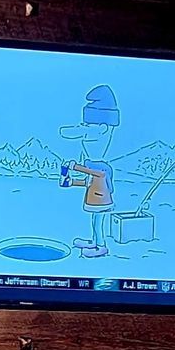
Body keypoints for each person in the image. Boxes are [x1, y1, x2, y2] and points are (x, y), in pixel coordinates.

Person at [60, 84, 120, 256]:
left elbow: (96, 176)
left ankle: (101, 246)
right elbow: (88, 182)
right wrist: (72, 182)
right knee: (95, 220)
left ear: (103, 128)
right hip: (95, 195)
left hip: (100, 198)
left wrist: (75, 167)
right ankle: (94, 241)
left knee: (98, 221)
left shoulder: (100, 170)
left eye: (88, 125)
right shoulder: (95, 168)